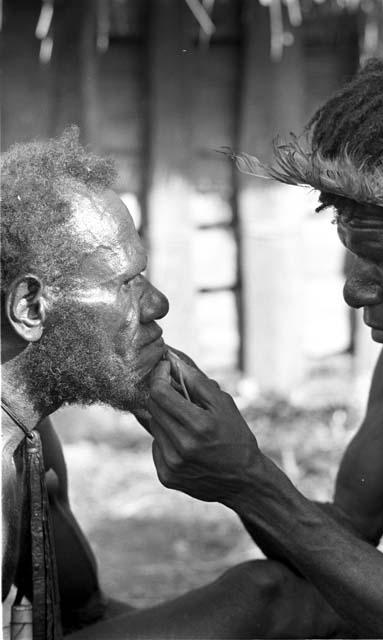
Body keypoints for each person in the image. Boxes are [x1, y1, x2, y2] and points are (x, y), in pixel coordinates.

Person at [142, 55, 383, 638]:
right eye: (352, 249)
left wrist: (253, 482)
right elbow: (344, 536)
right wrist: (233, 468)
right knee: (264, 594)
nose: (355, 290)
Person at [0, 129, 295, 639]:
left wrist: (244, 480)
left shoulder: (30, 435)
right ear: (30, 307)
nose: (157, 304)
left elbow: (82, 613)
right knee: (272, 600)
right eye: (124, 283)